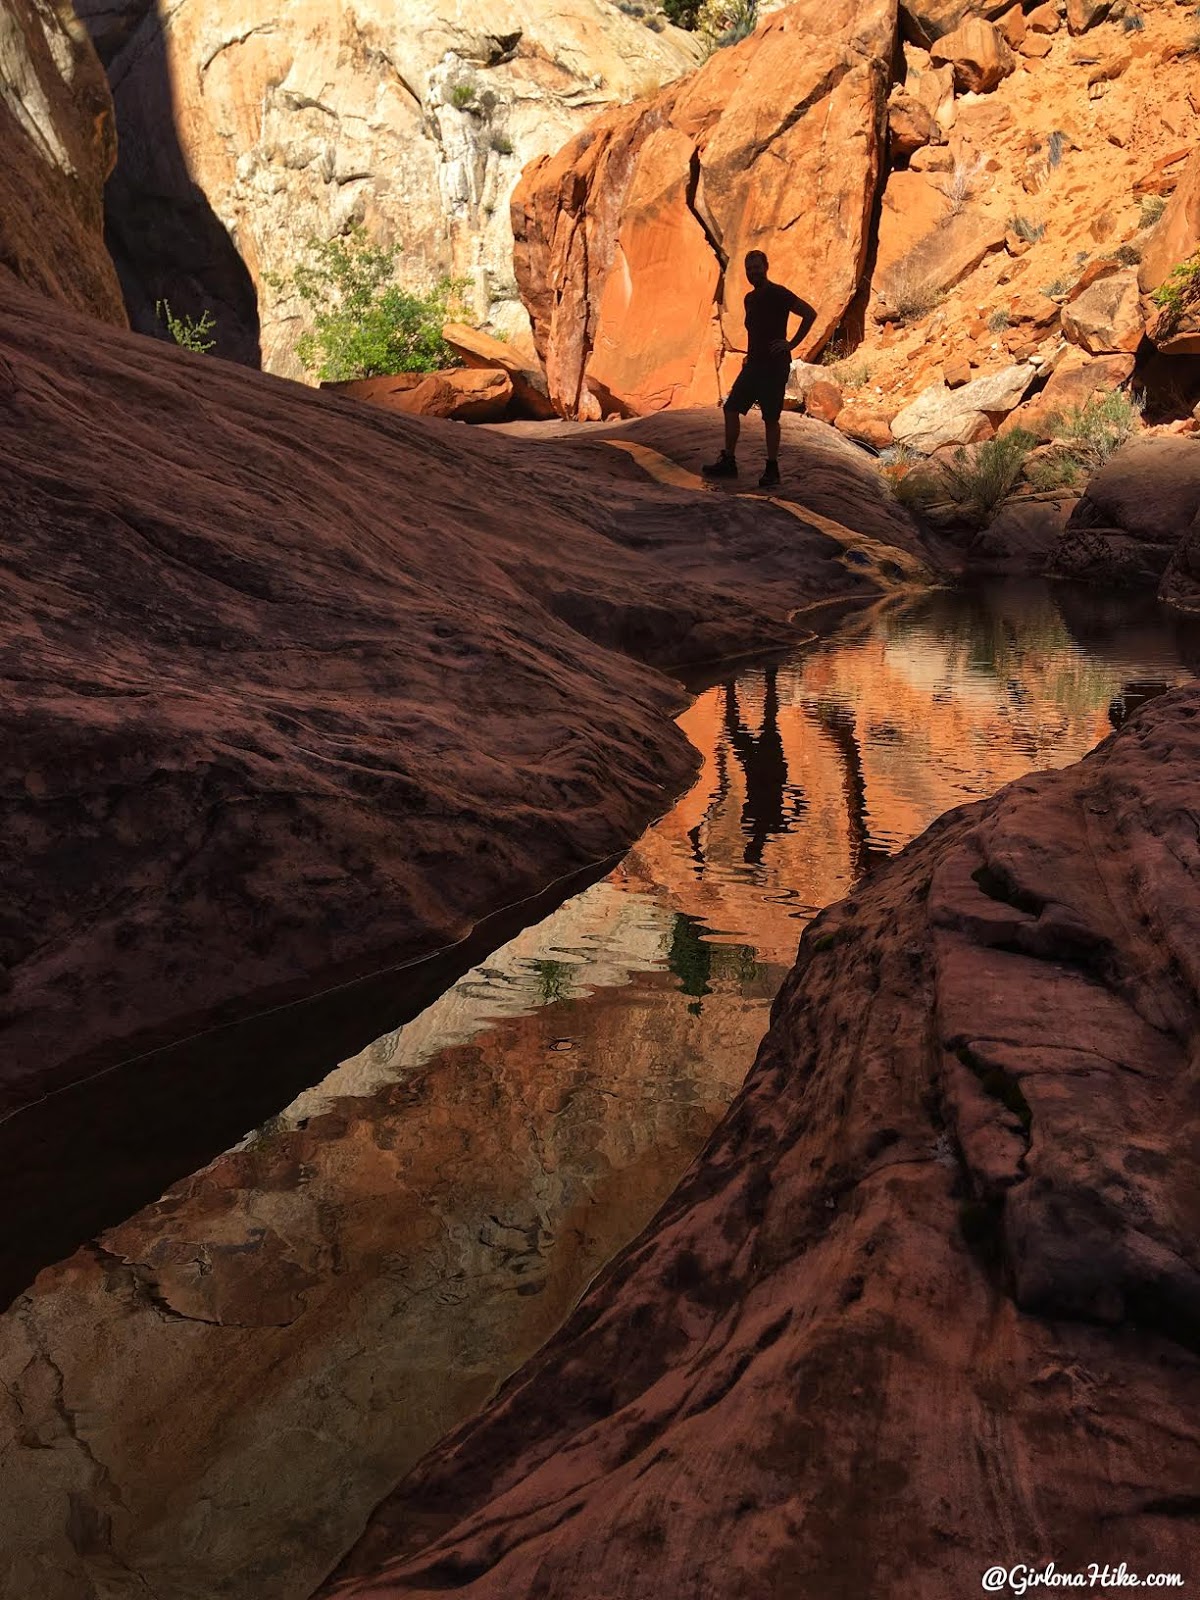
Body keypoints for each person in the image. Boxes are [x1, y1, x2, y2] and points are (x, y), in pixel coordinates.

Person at [703, 250, 816, 489]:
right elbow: (756, 330)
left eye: (757, 267)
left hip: (775, 365)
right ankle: (729, 461)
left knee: (771, 418)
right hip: (754, 363)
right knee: (731, 408)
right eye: (749, 268)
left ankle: (772, 468)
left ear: (766, 267)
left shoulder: (779, 293)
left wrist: (791, 344)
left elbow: (809, 313)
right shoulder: (749, 299)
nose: (753, 271)